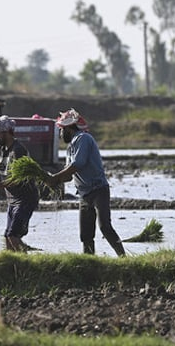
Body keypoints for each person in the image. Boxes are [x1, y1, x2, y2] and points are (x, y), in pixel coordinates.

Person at [45, 108, 125, 256]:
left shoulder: (83, 139)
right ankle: (89, 261)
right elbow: (69, 175)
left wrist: (55, 178)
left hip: (98, 190)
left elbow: (78, 164)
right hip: (84, 194)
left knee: (105, 227)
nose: (61, 135)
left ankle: (123, 257)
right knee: (86, 234)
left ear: (68, 128)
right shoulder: (70, 148)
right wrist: (50, 179)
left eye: (62, 131)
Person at [0, 115, 40, 252]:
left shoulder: (18, 151)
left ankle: (26, 264)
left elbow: (17, 179)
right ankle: (14, 263)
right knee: (7, 237)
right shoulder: (0, 149)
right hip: (12, 200)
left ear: (7, 132)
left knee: (13, 235)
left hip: (25, 198)